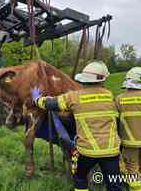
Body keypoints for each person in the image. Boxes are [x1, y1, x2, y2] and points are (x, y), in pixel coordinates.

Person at [31, 61, 122, 191]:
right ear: (102, 80)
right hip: (111, 151)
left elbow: (50, 104)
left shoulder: (74, 97)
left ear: (84, 80)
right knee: (114, 184)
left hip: (86, 151)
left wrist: (37, 99)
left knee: (80, 178)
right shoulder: (110, 96)